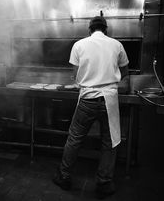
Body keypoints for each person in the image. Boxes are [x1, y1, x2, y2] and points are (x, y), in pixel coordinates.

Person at [52, 16, 130, 199]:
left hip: (87, 99)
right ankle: (104, 183)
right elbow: (125, 72)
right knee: (108, 143)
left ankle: (64, 177)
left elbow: (76, 76)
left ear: (89, 29)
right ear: (106, 29)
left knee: (75, 139)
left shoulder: (79, 45)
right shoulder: (116, 44)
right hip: (109, 100)